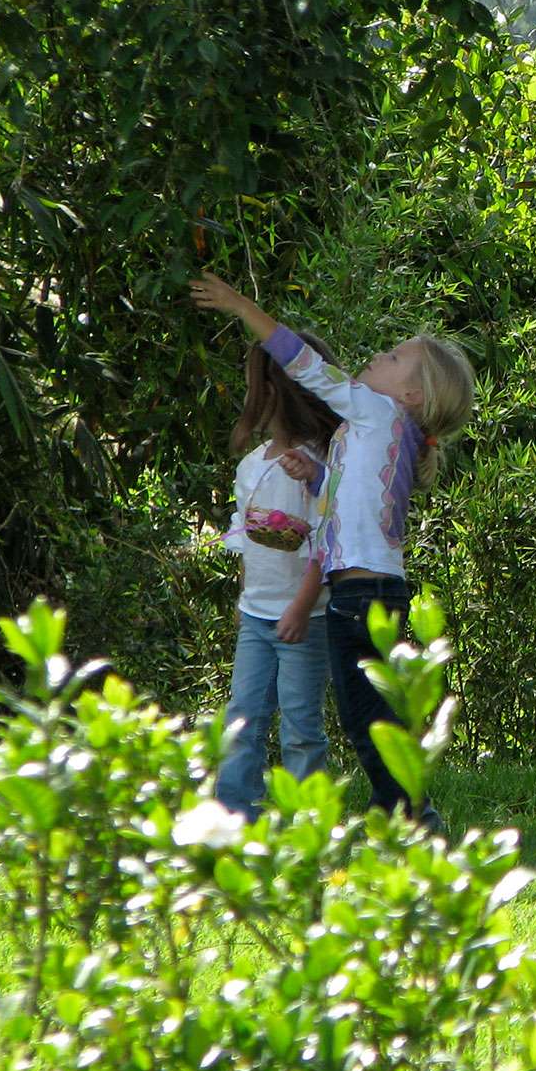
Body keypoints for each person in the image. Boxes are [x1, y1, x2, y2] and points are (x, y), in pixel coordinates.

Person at [190, 272, 475, 826]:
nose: (378, 355)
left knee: (367, 717)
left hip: (361, 596)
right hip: (371, 592)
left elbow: (306, 366)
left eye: (393, 357)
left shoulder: (376, 412)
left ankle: (412, 816)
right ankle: (401, 810)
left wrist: (240, 305)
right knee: (369, 715)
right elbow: (349, 508)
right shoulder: (380, 431)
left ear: (411, 394)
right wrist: (318, 478)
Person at [214, 331, 341, 817]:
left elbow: (330, 534)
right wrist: (246, 591)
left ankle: (305, 822)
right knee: (242, 718)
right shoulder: (252, 465)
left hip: (305, 619)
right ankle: (232, 816)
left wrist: (301, 606)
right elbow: (243, 529)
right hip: (256, 616)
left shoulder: (321, 461)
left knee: (301, 727)